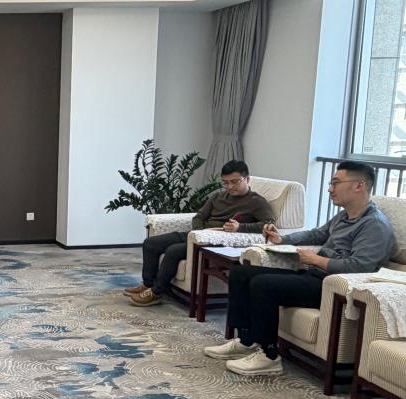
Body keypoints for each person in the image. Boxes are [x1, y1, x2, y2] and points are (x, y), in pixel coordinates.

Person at [205, 161, 396, 377]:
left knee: (263, 284)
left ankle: (269, 356)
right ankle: (246, 340)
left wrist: (318, 260)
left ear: (359, 185)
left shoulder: (374, 225)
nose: (330, 189)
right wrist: (282, 239)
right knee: (241, 273)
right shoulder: (344, 216)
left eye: (335, 183)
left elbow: (361, 267)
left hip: (335, 289)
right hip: (315, 276)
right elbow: (316, 234)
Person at [125, 160, 275, 307]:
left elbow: (268, 225)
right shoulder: (217, 196)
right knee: (151, 243)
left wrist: (240, 227)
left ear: (247, 179)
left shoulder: (256, 201)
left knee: (173, 251)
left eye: (235, 182)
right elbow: (199, 217)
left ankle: (156, 292)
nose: (230, 186)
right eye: (225, 182)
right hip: (197, 235)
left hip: (216, 241)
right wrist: (199, 231)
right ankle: (148, 284)